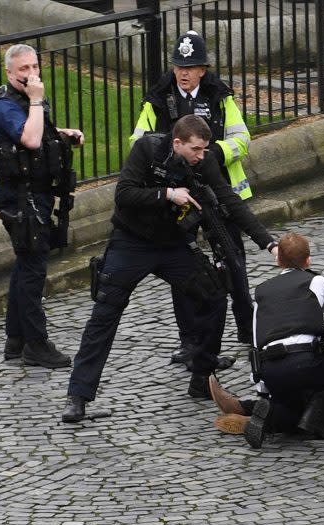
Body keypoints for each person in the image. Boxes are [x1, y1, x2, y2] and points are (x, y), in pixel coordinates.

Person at [61, 115, 276, 423]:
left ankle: (202, 375)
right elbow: (124, 194)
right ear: (177, 143)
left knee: (214, 294)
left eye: (205, 149)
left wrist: (268, 243)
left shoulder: (204, 161)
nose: (202, 156)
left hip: (174, 244)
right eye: (196, 149)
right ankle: (78, 396)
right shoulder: (147, 151)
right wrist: (166, 194)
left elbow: (231, 202)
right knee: (105, 312)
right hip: (131, 242)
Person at [131, 30, 255, 357]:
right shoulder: (158, 97)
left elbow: (241, 138)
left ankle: (248, 327)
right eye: (179, 67)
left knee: (233, 259)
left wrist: (213, 154)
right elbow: (139, 142)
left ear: (203, 69)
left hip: (216, 191)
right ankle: (189, 340)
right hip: (178, 195)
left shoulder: (218, 95)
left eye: (191, 67)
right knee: (182, 268)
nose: (183, 73)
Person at [0, 43, 84, 369]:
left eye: (34, 67)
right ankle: (36, 346)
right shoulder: (5, 107)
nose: (31, 74)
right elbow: (29, 139)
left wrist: (63, 133)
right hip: (22, 200)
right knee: (32, 271)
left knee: (25, 265)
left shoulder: (25, 101)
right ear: (9, 73)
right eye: (23, 69)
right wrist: (38, 99)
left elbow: (38, 133)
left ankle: (16, 341)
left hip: (32, 196)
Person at [238, 232, 324, 448]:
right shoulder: (316, 281)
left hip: (272, 369)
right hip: (306, 361)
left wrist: (262, 390)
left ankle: (271, 412)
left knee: (291, 413)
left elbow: (257, 340)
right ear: (308, 260)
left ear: (278, 261)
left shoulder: (262, 291)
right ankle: (322, 407)